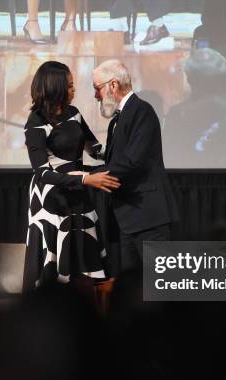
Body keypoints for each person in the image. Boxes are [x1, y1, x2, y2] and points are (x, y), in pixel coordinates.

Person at [23, 61, 120, 292]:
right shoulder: (35, 122)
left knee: (84, 259)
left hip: (77, 192)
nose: (73, 90)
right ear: (53, 87)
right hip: (51, 198)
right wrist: (86, 179)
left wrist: (122, 142)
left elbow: (95, 149)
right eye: (68, 86)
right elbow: (43, 173)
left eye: (72, 85)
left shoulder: (74, 114)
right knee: (56, 265)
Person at [91, 59, 179, 283]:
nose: (95, 96)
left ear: (113, 85)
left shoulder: (142, 111)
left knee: (160, 287)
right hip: (128, 218)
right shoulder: (117, 120)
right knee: (131, 290)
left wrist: (90, 176)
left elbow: (133, 161)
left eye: (97, 89)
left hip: (148, 217)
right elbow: (118, 159)